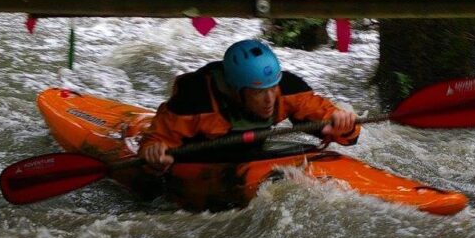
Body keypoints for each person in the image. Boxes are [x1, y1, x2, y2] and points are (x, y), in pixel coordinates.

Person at [139, 40, 360, 169]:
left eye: (273, 88)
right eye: (258, 92)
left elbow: (341, 128)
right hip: (201, 156)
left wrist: (345, 126)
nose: (270, 99)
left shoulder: (288, 88)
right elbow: (155, 141)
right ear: (237, 91)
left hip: (249, 153)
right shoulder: (195, 101)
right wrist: (155, 155)